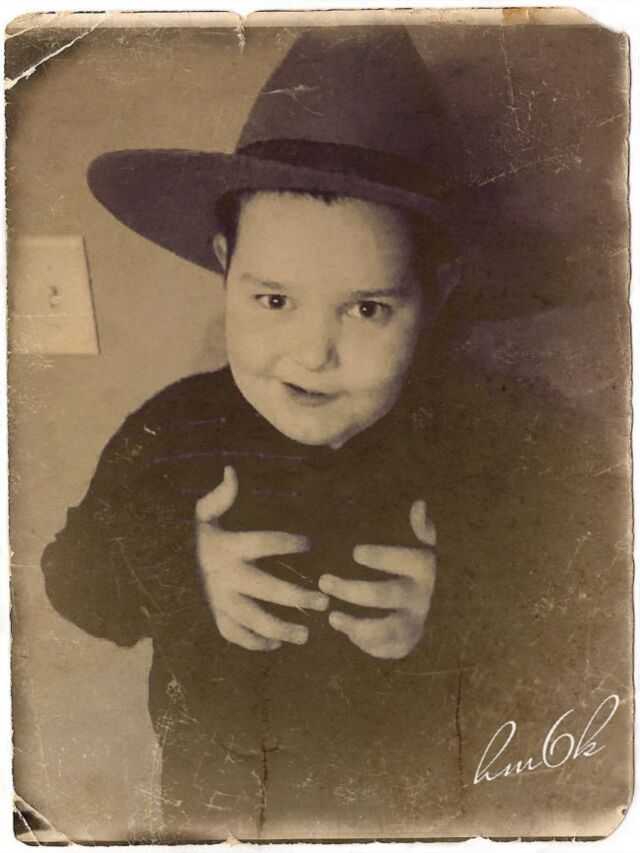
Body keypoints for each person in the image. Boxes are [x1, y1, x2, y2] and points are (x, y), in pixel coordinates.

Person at [40, 26, 612, 842]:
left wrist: (451, 605)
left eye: (367, 308)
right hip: (220, 812)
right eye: (273, 300)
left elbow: (586, 607)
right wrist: (180, 565)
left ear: (437, 291)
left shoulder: (501, 444)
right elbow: (74, 583)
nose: (313, 353)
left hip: (423, 815)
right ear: (225, 266)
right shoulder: (171, 431)